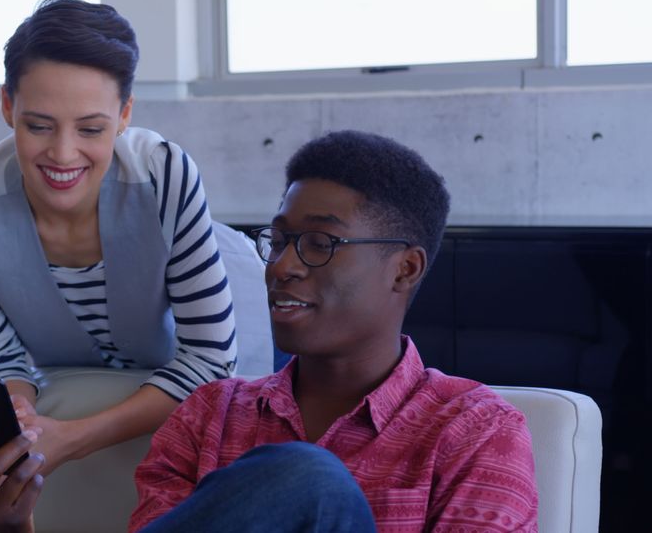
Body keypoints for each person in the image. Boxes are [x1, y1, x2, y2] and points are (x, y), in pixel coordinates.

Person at [0, 0, 237, 525]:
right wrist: (19, 418)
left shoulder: (165, 175)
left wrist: (73, 437)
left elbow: (211, 361)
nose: (63, 155)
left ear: (125, 114)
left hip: (216, 371)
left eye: (91, 129)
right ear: (7, 106)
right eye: (39, 125)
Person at [129, 130, 539, 532]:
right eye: (280, 240)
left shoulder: (474, 429)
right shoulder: (208, 414)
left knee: (307, 478)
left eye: (319, 243)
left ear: (405, 269)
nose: (282, 265)